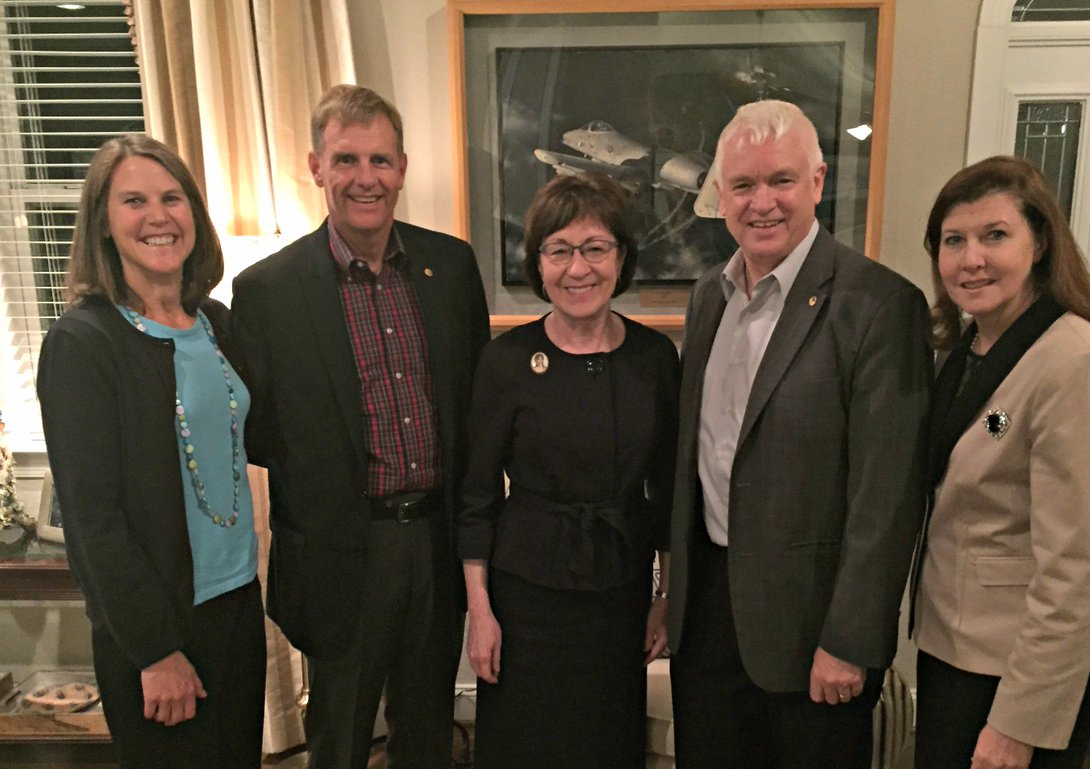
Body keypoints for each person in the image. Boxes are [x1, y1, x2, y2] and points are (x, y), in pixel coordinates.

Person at [666, 99, 931, 769]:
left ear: (817, 182)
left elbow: (887, 496)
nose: (762, 202)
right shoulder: (707, 297)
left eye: (781, 180)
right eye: (743, 184)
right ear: (720, 194)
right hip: (708, 620)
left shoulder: (879, 306)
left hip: (814, 632)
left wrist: (850, 639)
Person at [231, 85, 489, 768]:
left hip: (435, 542)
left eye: (379, 159)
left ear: (402, 167)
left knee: (427, 732)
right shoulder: (266, 291)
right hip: (338, 552)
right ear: (316, 166)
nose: (365, 178)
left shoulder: (451, 267)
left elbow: (474, 405)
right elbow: (259, 432)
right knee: (339, 739)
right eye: (346, 159)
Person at [912, 155, 1090, 769]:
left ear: (1040, 243)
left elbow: (1078, 567)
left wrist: (1018, 723)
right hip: (961, 646)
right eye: (954, 240)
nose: (971, 259)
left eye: (995, 235)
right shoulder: (973, 347)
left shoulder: (1078, 362)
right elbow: (998, 431)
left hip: (1021, 669)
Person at [38, 134, 264, 768]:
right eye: (134, 201)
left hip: (235, 603)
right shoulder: (83, 343)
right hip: (159, 624)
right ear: (103, 224)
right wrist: (155, 650)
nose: (158, 216)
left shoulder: (214, 323)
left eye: (172, 198)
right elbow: (93, 521)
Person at [457, 173, 680, 769]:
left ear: (621, 257)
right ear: (539, 263)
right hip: (525, 596)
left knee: (607, 743)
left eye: (595, 248)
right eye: (558, 250)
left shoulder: (655, 358)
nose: (577, 268)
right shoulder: (505, 360)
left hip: (621, 592)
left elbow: (668, 491)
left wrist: (665, 597)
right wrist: (480, 613)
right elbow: (477, 495)